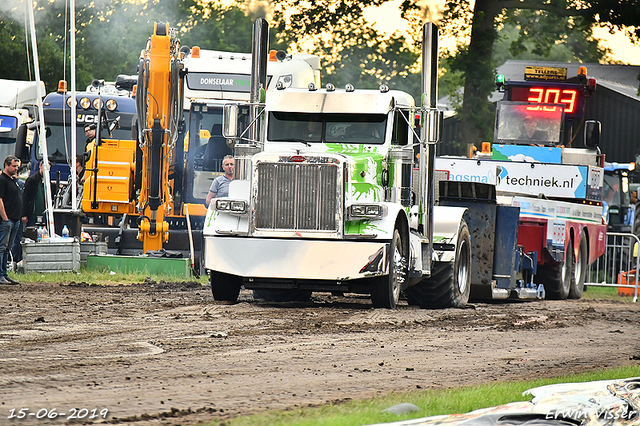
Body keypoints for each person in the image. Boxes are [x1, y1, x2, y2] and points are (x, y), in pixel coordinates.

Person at [0, 155, 23, 285]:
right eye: (14, 166)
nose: (16, 169)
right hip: (7, 220)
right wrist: (5, 218)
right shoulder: (2, 180)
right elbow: (0, 199)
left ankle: (4, 273)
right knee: (2, 247)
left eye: (17, 167)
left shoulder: (13, 180)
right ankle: (0, 274)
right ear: (6, 165)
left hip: (15, 219)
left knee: (7, 248)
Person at [21, 161, 46, 226]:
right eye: (45, 167)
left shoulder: (48, 181)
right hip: (32, 214)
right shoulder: (32, 180)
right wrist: (24, 214)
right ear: (40, 166)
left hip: (44, 214)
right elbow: (25, 197)